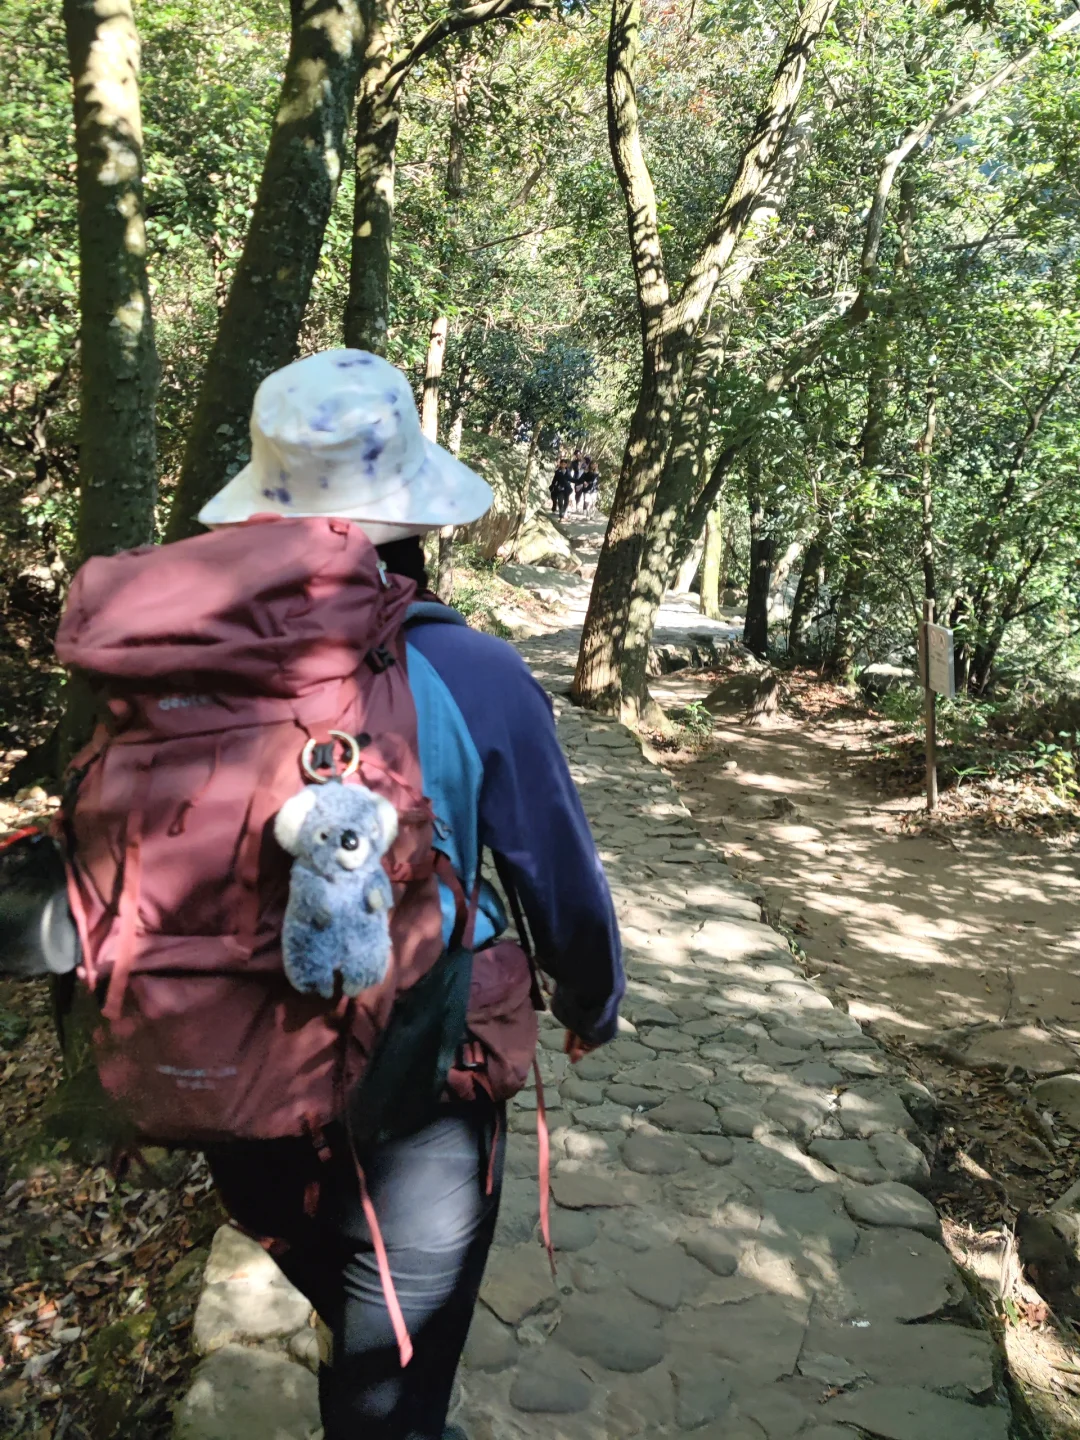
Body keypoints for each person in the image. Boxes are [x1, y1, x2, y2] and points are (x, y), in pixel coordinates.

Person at [184, 353, 624, 1439]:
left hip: (231, 1066)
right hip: (415, 1093)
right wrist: (590, 1001)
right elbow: (557, 876)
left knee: (328, 1268)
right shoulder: (472, 674)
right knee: (394, 1377)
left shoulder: (180, 662)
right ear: (412, 518)